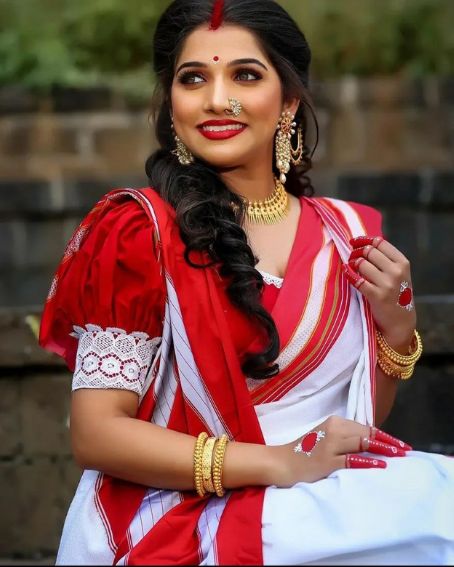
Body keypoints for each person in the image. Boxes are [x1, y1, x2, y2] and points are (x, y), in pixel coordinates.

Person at [39, 0, 454, 564]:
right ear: (172, 103)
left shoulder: (346, 233)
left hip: (313, 499)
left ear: (288, 101)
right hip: (174, 515)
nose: (217, 99)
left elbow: (355, 427)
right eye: (194, 79)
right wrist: (279, 461)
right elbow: (96, 435)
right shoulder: (140, 233)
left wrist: (397, 331)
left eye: (245, 75)